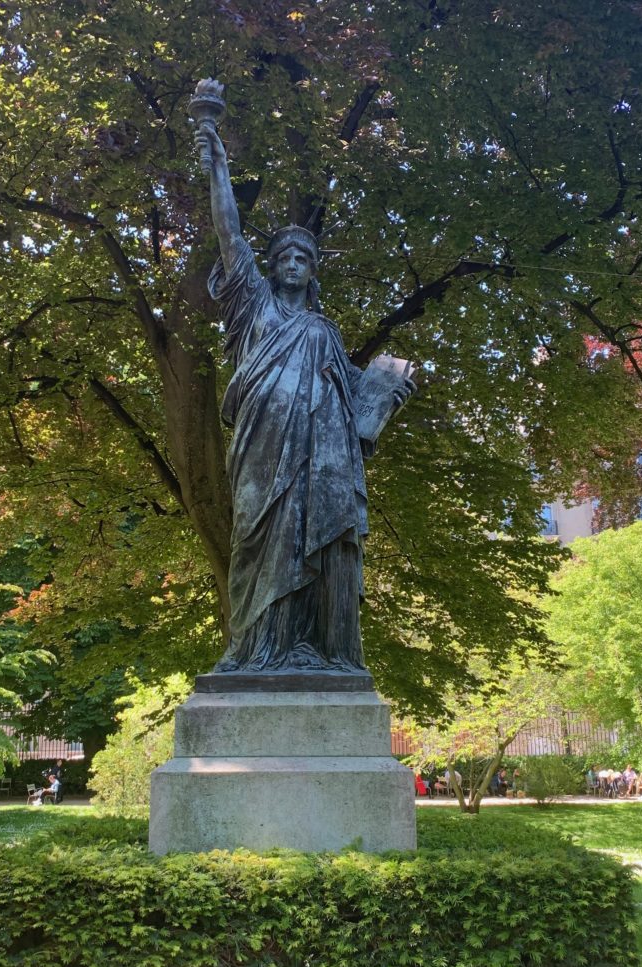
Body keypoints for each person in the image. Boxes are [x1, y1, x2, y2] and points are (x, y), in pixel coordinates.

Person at [195, 96, 415, 673]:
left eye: (303, 257)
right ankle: (254, 650)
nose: (293, 262)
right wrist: (216, 156)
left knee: (315, 545)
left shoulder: (323, 330)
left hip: (323, 462)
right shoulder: (253, 305)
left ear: (313, 269)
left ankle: (316, 648)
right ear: (270, 267)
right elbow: (228, 232)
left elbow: (354, 395)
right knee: (255, 541)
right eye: (284, 255)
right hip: (261, 451)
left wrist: (387, 392)